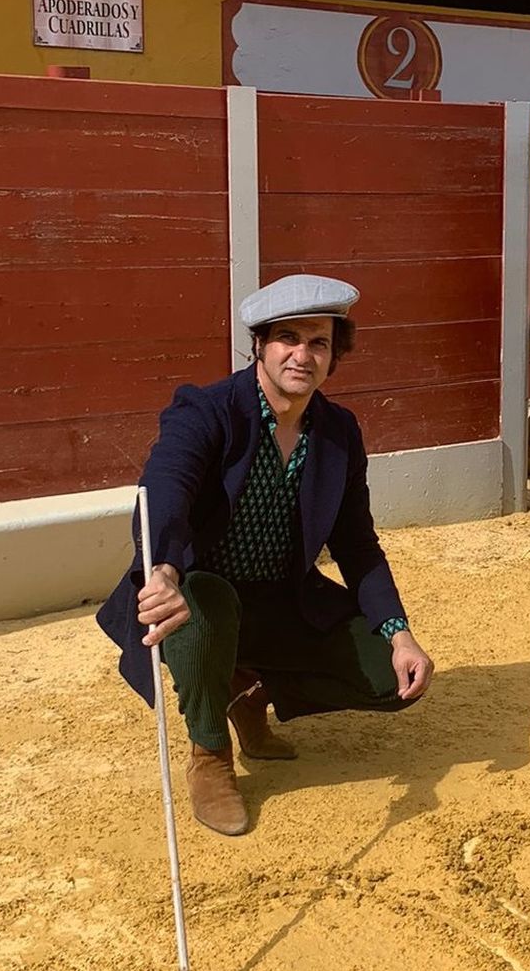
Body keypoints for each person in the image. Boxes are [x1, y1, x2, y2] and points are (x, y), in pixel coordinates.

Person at [96, 274, 434, 836]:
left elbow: (357, 542)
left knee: (389, 678)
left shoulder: (338, 431)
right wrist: (164, 570)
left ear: (334, 354)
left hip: (282, 601)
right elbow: (165, 490)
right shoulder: (205, 411)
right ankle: (209, 754)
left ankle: (245, 688)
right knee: (203, 606)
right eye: (288, 339)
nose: (303, 355)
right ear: (259, 343)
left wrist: (399, 634)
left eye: (319, 342)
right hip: (199, 593)